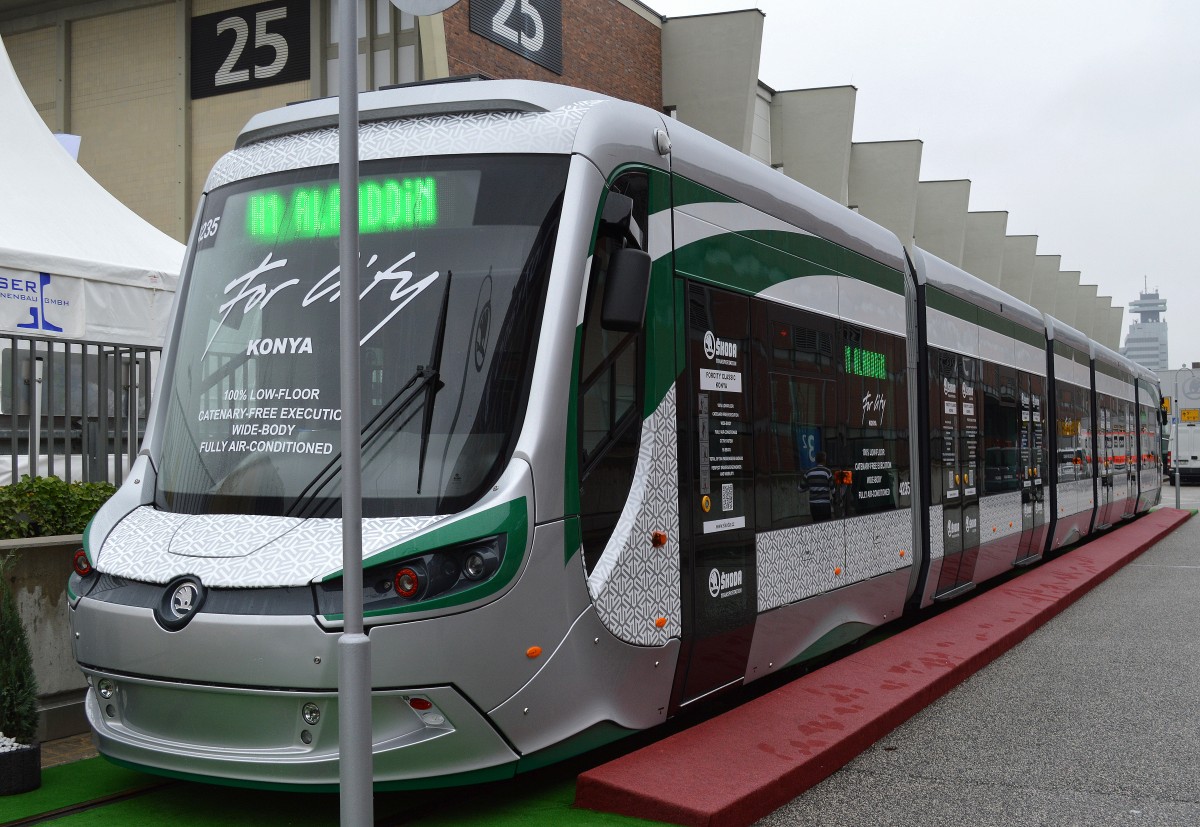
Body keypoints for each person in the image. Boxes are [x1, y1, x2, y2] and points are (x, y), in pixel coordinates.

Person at [805, 451, 834, 522]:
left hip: (813, 505)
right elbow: (833, 489)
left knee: (816, 524)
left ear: (816, 460)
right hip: (824, 504)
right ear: (824, 460)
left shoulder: (809, 472)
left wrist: (811, 486)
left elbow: (800, 488)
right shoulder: (827, 472)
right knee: (826, 524)